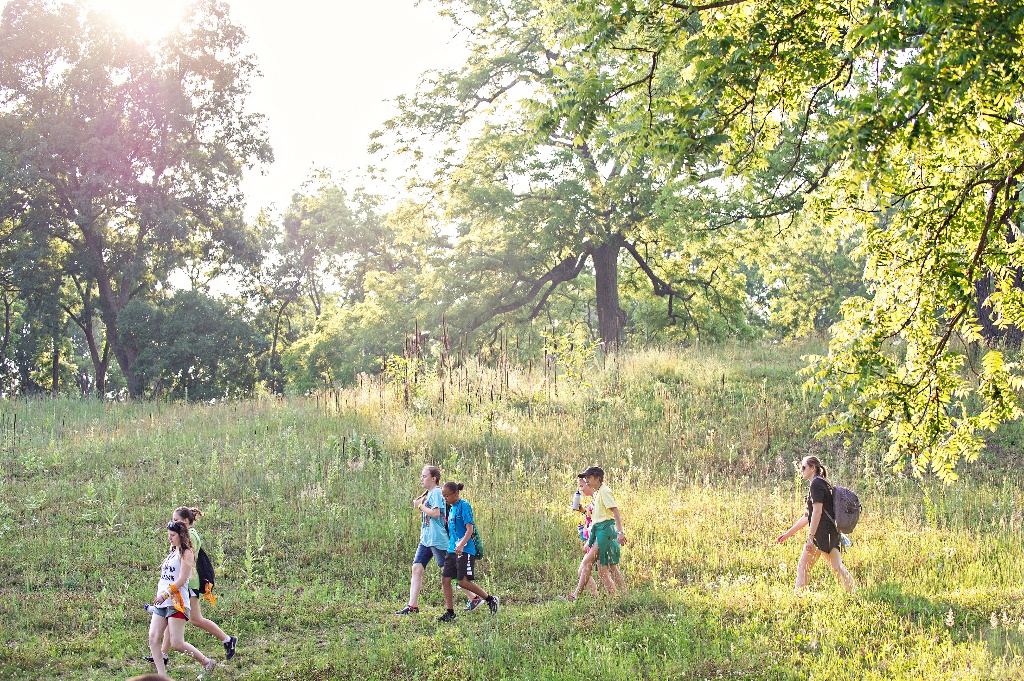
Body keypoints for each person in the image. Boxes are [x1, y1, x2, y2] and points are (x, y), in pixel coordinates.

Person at [154, 508, 237, 662]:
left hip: (189, 583)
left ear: (185, 521)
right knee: (172, 614)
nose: (174, 523)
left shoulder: (190, 535)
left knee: (195, 619)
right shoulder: (188, 534)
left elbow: (187, 557)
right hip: (186, 583)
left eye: (176, 520)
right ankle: (163, 654)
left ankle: (227, 639)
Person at [146, 520, 217, 679]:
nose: (170, 538)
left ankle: (207, 663)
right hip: (163, 602)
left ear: (181, 535)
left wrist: (165, 594)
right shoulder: (172, 551)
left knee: (177, 643)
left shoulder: (187, 553)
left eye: (173, 535)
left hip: (177, 602)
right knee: (153, 638)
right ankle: (161, 676)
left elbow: (182, 579)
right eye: (169, 535)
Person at [776, 456, 856, 594]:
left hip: (821, 533)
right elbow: (808, 516)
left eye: (803, 467)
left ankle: (800, 597)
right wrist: (788, 534)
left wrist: (811, 538)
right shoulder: (821, 483)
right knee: (837, 567)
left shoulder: (816, 485)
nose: (801, 470)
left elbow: (817, 513)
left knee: (804, 566)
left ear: (813, 468)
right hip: (830, 532)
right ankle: (854, 593)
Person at [437, 482, 499, 622]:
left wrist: (461, 545)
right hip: (452, 550)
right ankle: (450, 612)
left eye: (447, 496)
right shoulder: (451, 509)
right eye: (443, 496)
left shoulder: (464, 506)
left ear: (456, 494)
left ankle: (490, 599)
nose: (445, 498)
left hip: (465, 550)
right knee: (445, 579)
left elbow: (469, 530)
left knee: (463, 582)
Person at [396, 465, 449, 615]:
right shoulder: (430, 493)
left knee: (448, 572)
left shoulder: (437, 493)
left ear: (434, 478)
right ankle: (412, 606)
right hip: (426, 539)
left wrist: (419, 506)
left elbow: (436, 513)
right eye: (421, 476)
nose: (422, 479)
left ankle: (474, 597)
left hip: (437, 540)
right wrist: (421, 502)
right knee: (416, 568)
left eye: (424, 476)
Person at [573, 466, 626, 598]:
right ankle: (617, 596)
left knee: (587, 564)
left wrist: (620, 532)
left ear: (598, 478)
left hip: (605, 532)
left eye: (589, 478)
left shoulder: (604, 491)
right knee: (605, 570)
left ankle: (576, 595)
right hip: (599, 532)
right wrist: (584, 511)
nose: (587, 481)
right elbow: (597, 515)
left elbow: (615, 511)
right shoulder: (597, 493)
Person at [566, 477, 600, 600]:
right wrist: (584, 511)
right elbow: (593, 516)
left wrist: (590, 541)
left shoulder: (598, 498)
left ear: (589, 484)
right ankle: (596, 596)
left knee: (595, 570)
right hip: (594, 538)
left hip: (598, 539)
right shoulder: (594, 499)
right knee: (585, 571)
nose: (580, 490)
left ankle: (576, 596)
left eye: (582, 486)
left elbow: (599, 521)